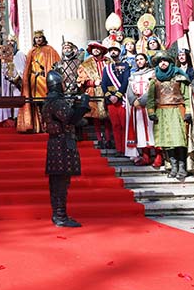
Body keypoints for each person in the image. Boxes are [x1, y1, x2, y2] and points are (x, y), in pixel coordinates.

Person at [42, 69, 91, 227]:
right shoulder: (57, 102)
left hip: (56, 142)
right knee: (60, 182)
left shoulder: (50, 102)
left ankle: (59, 214)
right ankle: (60, 216)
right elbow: (71, 119)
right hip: (61, 143)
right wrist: (83, 105)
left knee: (58, 182)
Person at [147, 51, 192, 181]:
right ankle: (173, 166)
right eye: (160, 61)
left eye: (165, 60)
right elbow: (151, 98)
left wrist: (188, 111)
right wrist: (151, 112)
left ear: (170, 62)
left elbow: (186, 96)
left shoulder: (179, 77)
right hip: (162, 112)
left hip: (177, 110)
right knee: (167, 142)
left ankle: (182, 166)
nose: (163, 63)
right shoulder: (154, 79)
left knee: (179, 140)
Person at [18, 30, 61, 133]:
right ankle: (38, 126)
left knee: (46, 103)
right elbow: (27, 67)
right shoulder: (32, 51)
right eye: (36, 38)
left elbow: (57, 64)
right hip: (34, 80)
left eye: (40, 37)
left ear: (43, 38)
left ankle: (48, 125)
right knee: (35, 104)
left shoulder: (50, 50)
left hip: (45, 80)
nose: (38, 39)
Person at [126, 53, 159, 166]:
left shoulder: (152, 73)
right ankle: (146, 157)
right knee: (140, 132)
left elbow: (153, 88)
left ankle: (159, 157)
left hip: (150, 106)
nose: (139, 61)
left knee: (153, 131)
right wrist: (133, 101)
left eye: (141, 59)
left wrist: (143, 100)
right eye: (137, 59)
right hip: (138, 108)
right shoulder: (133, 75)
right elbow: (129, 89)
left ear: (146, 60)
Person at [77, 42, 111, 147]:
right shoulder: (85, 64)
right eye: (93, 48)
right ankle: (99, 139)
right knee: (96, 117)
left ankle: (109, 139)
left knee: (107, 117)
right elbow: (80, 81)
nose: (95, 50)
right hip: (93, 91)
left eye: (98, 48)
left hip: (108, 91)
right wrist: (93, 83)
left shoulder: (109, 62)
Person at [101, 44, 130, 154]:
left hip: (121, 99)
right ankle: (119, 149)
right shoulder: (106, 68)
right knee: (115, 125)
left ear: (119, 51)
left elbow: (126, 81)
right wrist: (109, 96)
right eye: (111, 51)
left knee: (124, 125)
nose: (113, 52)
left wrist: (118, 95)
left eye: (115, 50)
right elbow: (103, 84)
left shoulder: (126, 66)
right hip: (111, 101)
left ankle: (126, 148)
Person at [0, 34, 26, 125]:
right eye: (8, 41)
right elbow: (3, 69)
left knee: (17, 99)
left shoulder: (19, 54)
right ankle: (8, 118)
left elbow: (23, 69)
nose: (9, 43)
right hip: (7, 82)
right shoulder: (5, 55)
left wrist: (16, 79)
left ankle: (17, 119)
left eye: (11, 41)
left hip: (17, 83)